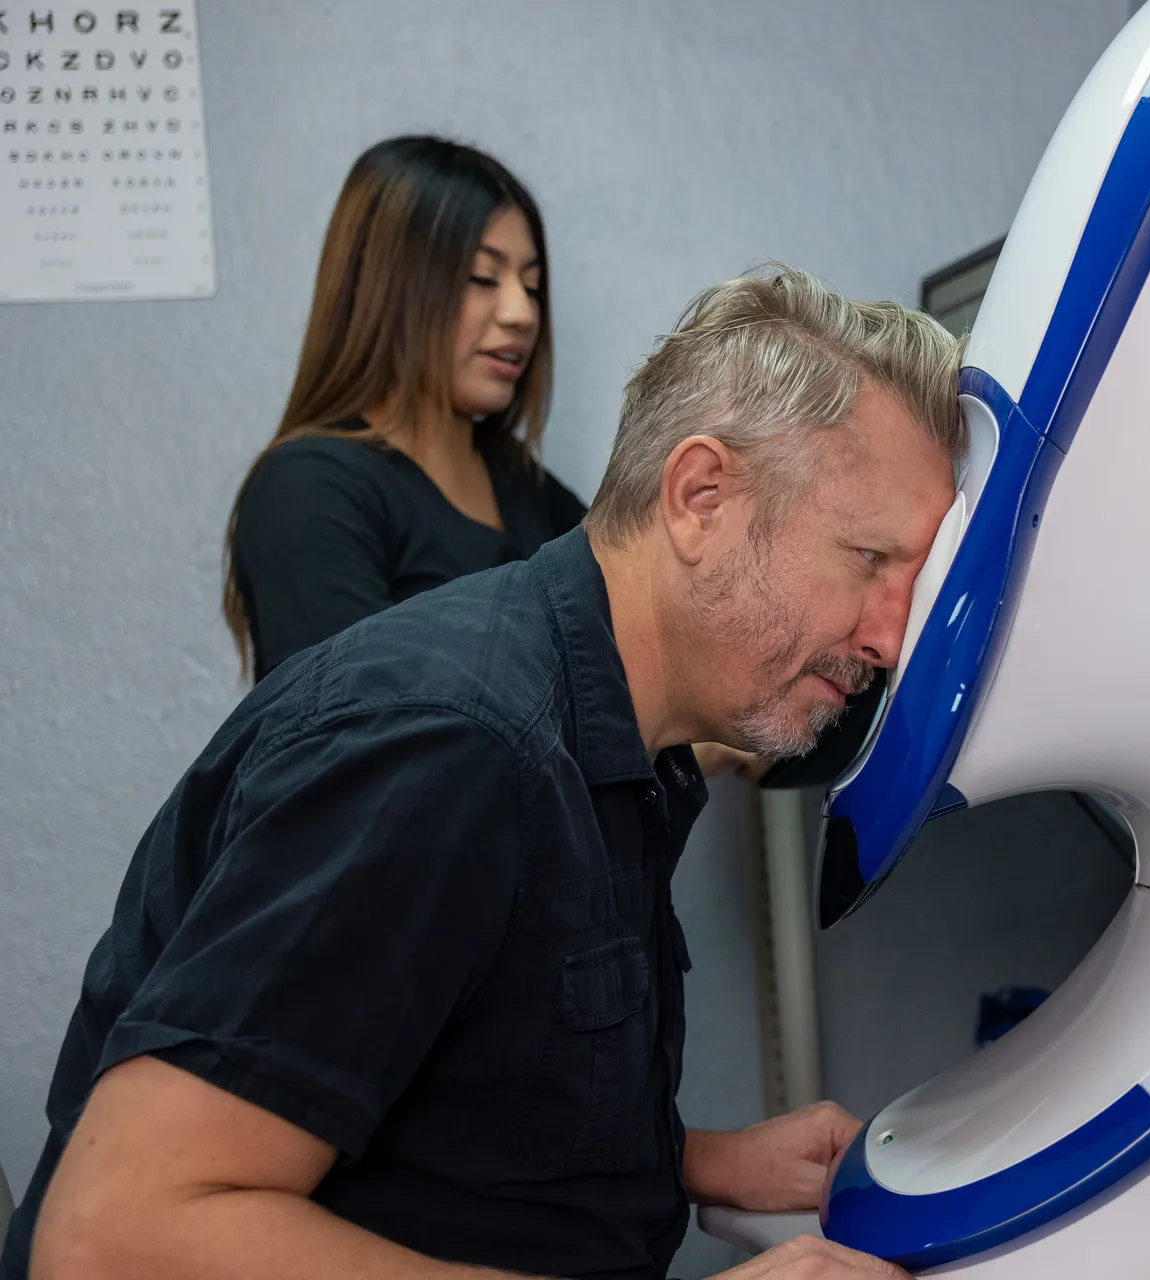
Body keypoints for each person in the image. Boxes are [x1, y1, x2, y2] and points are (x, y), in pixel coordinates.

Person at [5, 267, 965, 1280]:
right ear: (701, 497)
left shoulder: (629, 742)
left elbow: (455, 1090)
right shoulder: (451, 745)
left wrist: (693, 1160)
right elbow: (113, 1236)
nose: (893, 636)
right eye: (869, 560)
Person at [225, 135, 584, 683]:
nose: (521, 313)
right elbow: (360, 738)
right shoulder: (308, 491)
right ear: (387, 288)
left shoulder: (524, 485)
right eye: (482, 279)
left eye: (532, 287)